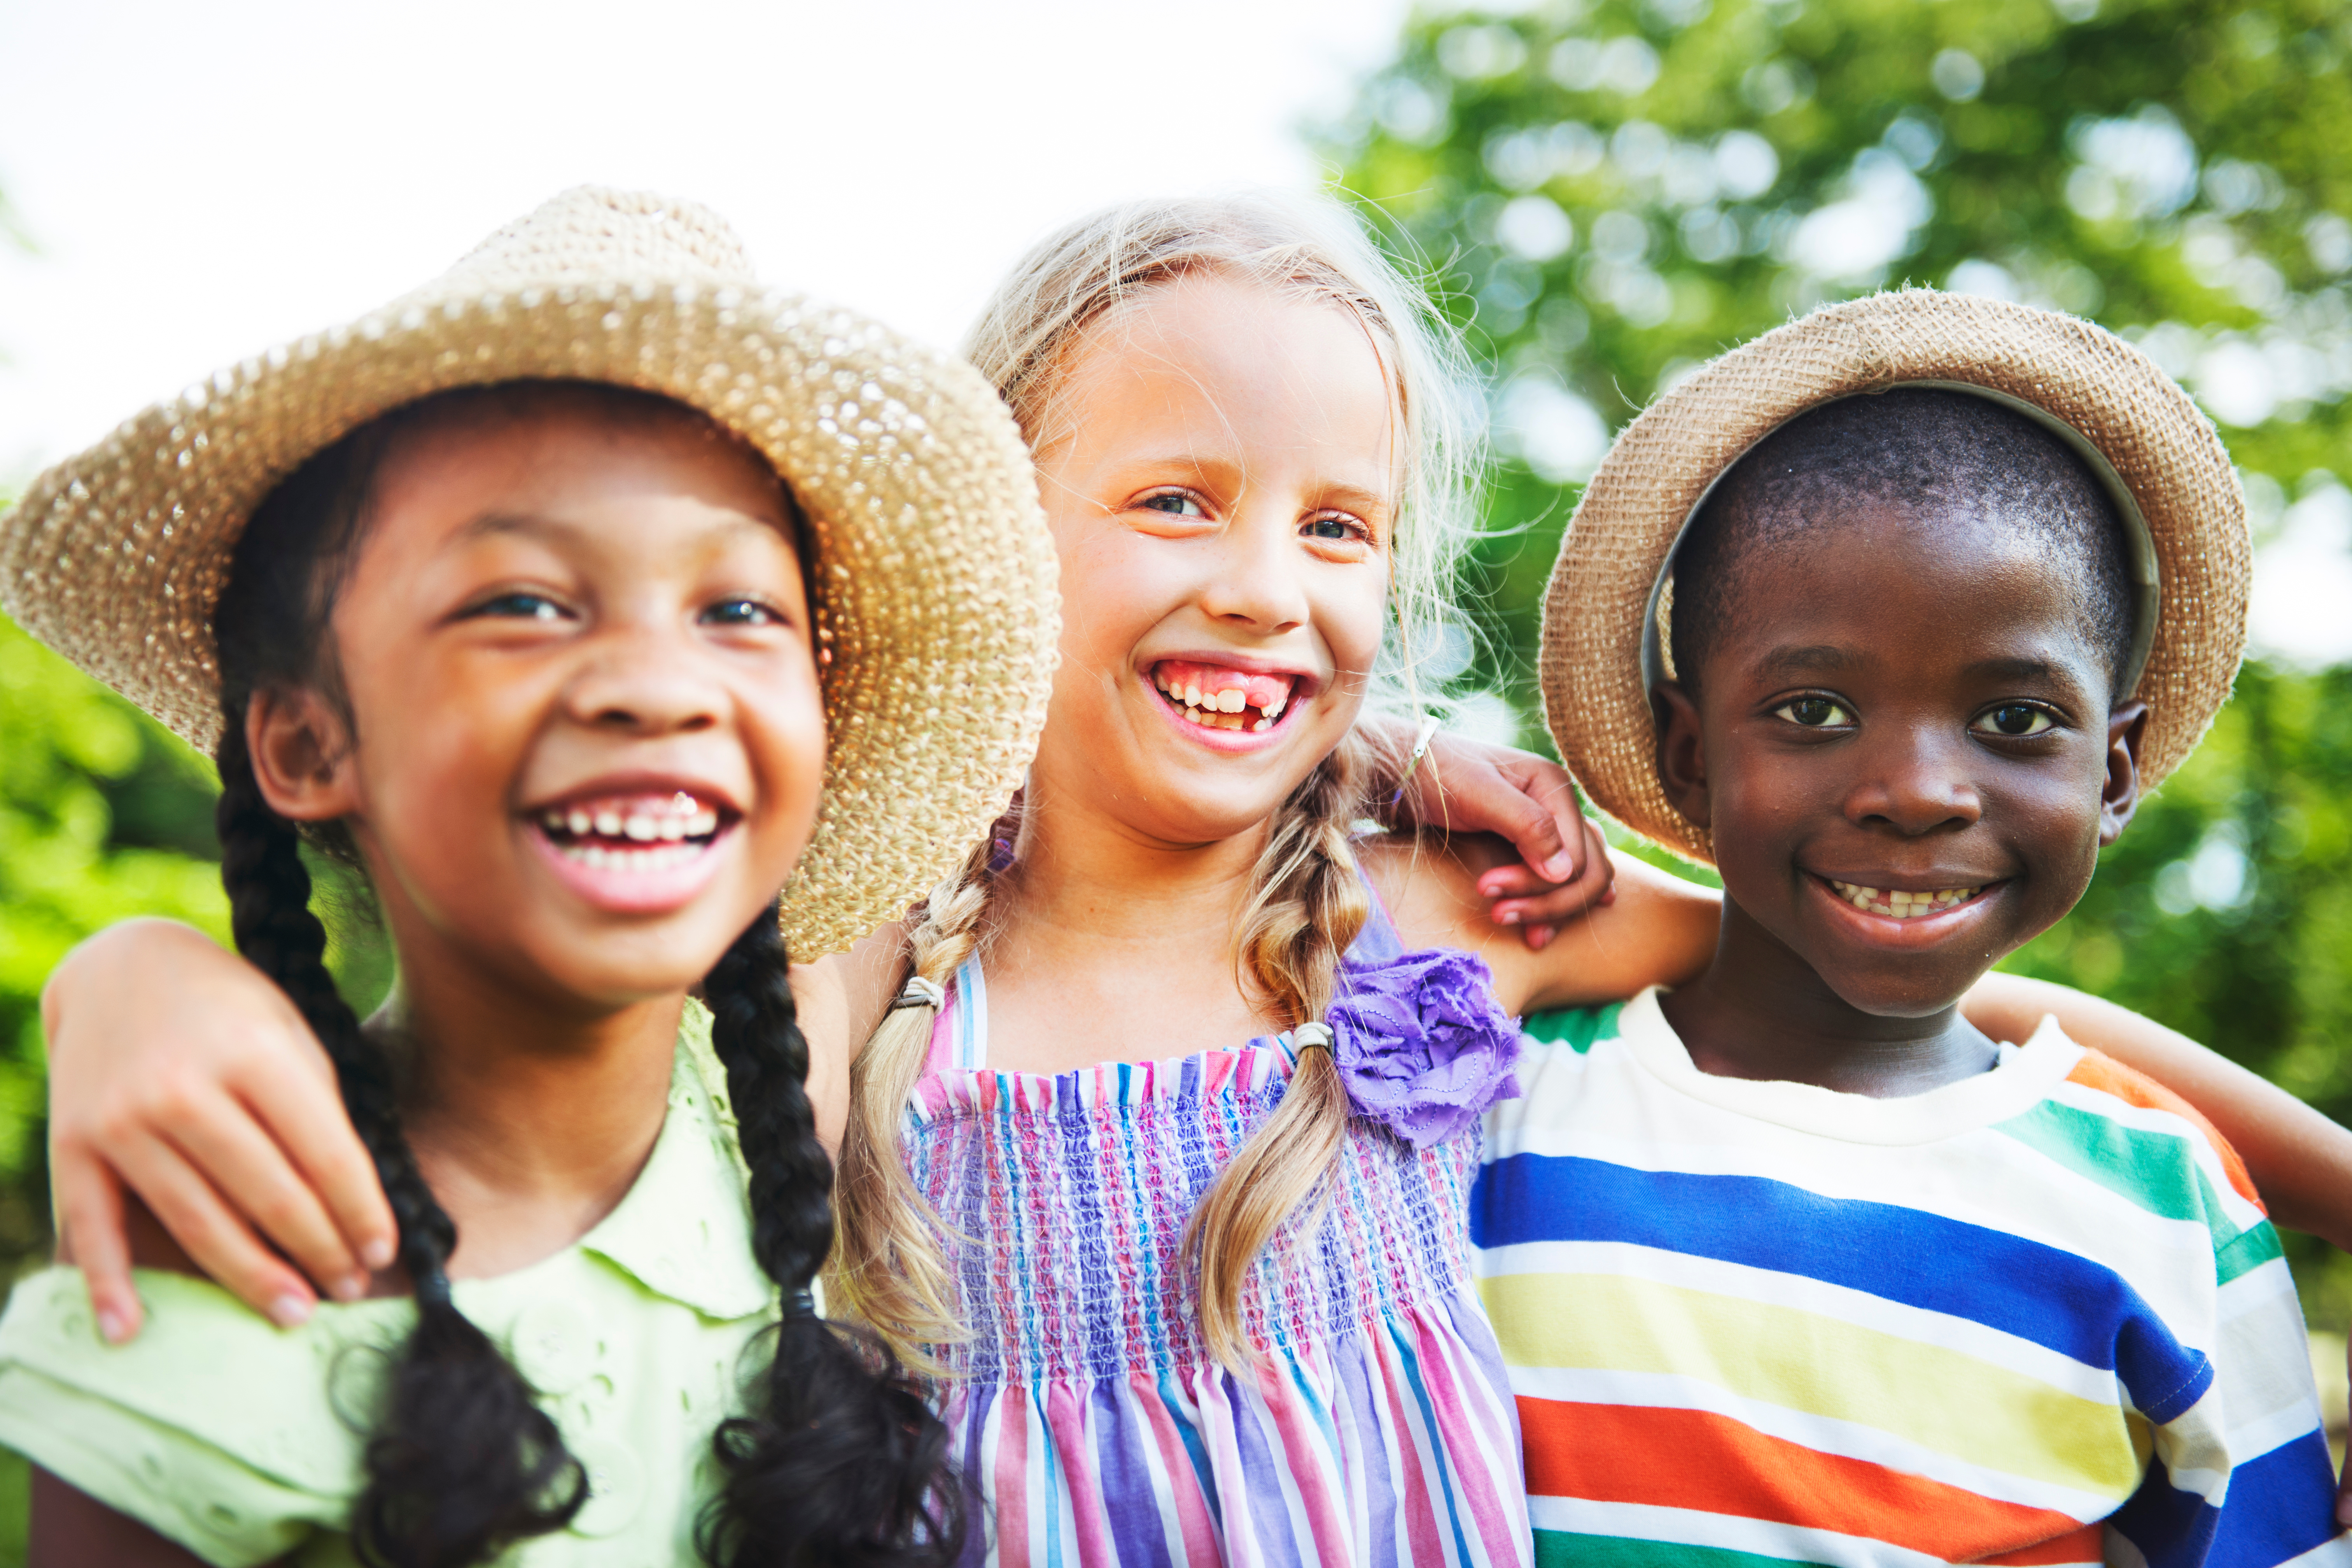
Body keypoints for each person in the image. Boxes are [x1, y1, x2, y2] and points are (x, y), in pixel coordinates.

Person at [28, 197, 2352, 1563]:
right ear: (986, 543)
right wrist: (140, 974)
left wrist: (2326, 1182)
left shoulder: (1437, 922)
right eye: (1173, 503)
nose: (1266, 586)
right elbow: (529, 1057)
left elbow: (1899, 1008)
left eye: (1336, 530)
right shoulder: (851, 942)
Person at [0, 187, 1065, 1565]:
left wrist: (1411, 758)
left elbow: (1163, 782)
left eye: (737, 611)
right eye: (522, 604)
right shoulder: (202, 1257)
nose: (653, 685)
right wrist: (122, 967)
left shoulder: (764, 1094)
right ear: (309, 740)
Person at [1479, 292, 2348, 1564]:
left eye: (2013, 722)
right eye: (1817, 709)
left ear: (2114, 776)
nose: (1920, 792)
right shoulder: (1494, 1102)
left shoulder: (2167, 1197)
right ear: (1688, 750)